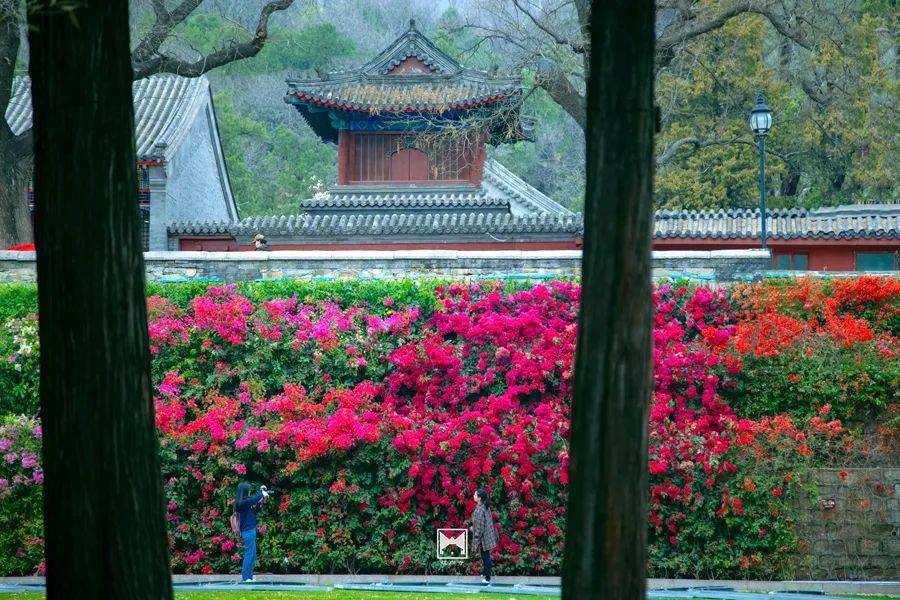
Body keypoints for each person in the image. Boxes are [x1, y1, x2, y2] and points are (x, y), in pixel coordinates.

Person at [235, 482, 269, 583]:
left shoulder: (246, 502)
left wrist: (261, 501)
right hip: (248, 531)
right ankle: (246, 578)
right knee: (249, 554)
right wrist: (261, 493)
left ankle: (249, 576)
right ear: (245, 491)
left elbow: (255, 510)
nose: (250, 491)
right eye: (249, 490)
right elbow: (254, 499)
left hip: (250, 531)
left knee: (252, 554)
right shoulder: (242, 503)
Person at [470, 489, 499, 584]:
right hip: (488, 535)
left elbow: (479, 527)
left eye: (475, 495)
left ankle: (487, 578)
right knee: (485, 555)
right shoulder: (485, 506)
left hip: (484, 537)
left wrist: (474, 534)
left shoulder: (479, 509)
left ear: (479, 498)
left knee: (485, 556)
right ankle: (485, 572)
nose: (473, 496)